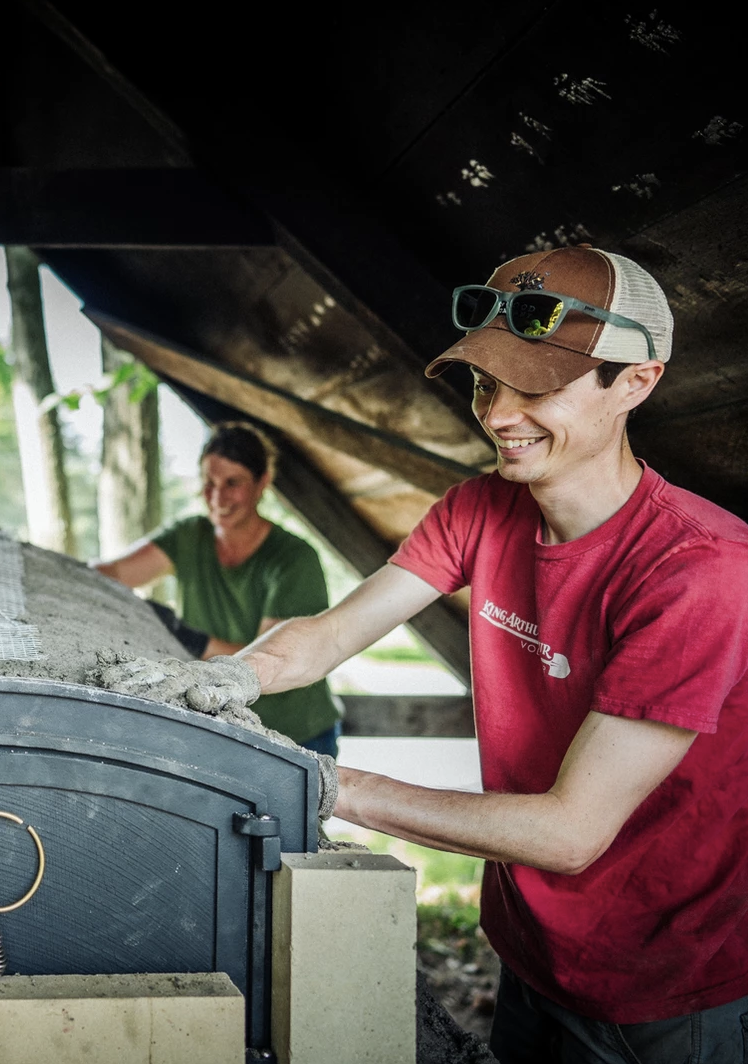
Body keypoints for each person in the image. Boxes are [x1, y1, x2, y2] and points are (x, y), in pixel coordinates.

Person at [234, 246, 748, 1059]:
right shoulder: (481, 508)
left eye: (536, 388)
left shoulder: (700, 571)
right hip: (530, 949)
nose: (500, 415)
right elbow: (325, 638)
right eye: (484, 383)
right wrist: (225, 677)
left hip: (658, 988)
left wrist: (328, 785)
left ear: (637, 381)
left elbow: (570, 832)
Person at [93, 422, 343, 755]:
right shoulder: (189, 536)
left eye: (232, 483)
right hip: (221, 727)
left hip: (295, 733)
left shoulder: (294, 560)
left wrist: (189, 638)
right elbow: (111, 575)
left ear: (262, 483)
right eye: (209, 482)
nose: (217, 496)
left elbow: (271, 662)